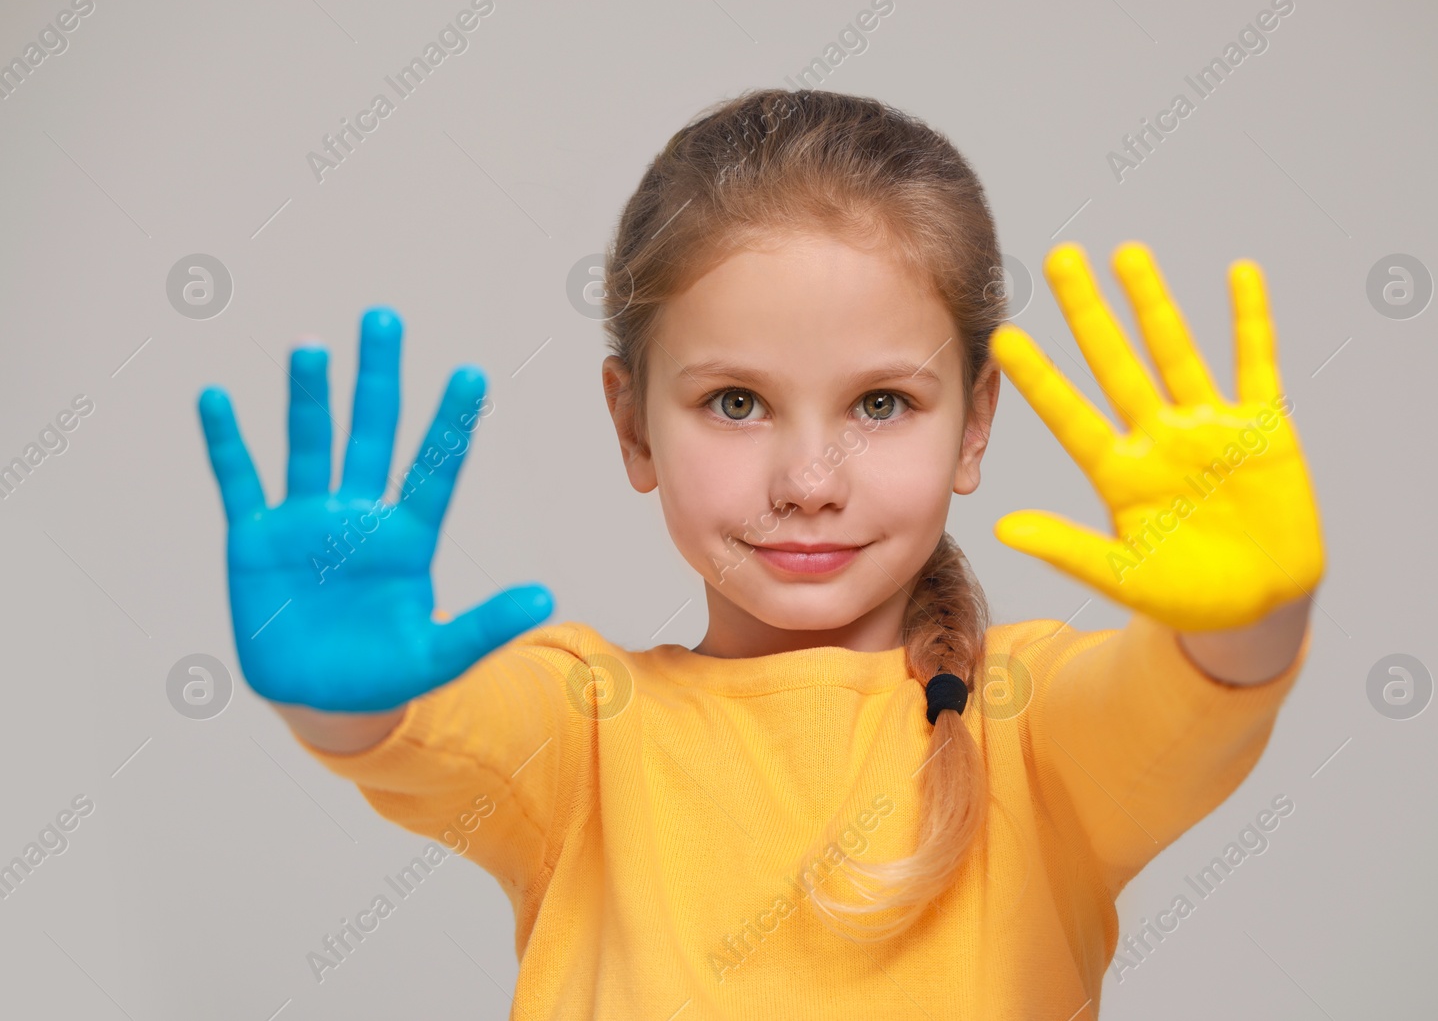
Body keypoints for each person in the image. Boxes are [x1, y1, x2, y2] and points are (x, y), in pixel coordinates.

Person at [196, 88, 1324, 1019]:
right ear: (633, 423)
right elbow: (431, 730)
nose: (809, 480)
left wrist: (1250, 612)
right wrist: (341, 696)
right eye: (736, 400)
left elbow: (1185, 697)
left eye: (881, 402)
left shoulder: (1028, 722)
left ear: (974, 424)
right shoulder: (585, 731)